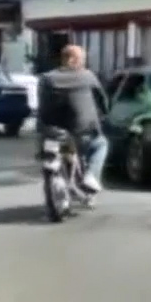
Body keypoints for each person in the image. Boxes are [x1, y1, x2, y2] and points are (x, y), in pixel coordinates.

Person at [36, 44, 109, 193]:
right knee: (101, 144)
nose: (84, 62)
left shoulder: (46, 78)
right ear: (77, 60)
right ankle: (91, 176)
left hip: (51, 133)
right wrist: (104, 113)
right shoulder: (88, 76)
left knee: (59, 149)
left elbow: (41, 102)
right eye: (83, 59)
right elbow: (102, 101)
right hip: (81, 133)